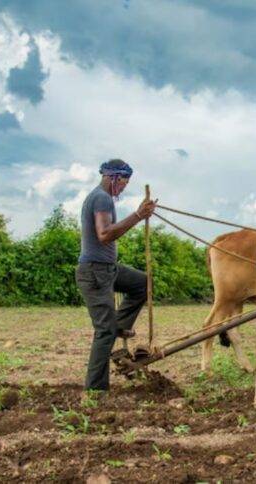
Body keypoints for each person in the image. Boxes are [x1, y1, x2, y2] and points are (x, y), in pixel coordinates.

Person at [75, 159, 156, 392]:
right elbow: (104, 234)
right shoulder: (100, 197)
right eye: (123, 182)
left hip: (107, 269)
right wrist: (138, 215)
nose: (124, 187)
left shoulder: (104, 197)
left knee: (143, 283)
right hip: (94, 272)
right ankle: (96, 390)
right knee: (104, 332)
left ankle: (120, 325)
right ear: (112, 178)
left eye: (127, 183)